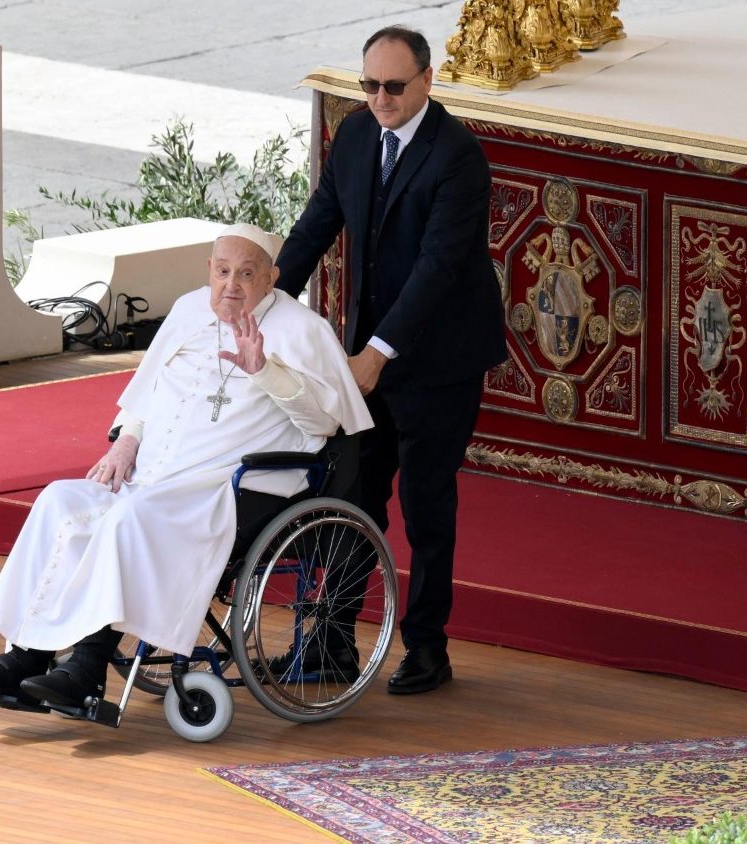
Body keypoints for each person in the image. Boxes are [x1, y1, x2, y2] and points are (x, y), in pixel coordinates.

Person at [0, 224, 373, 710]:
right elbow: (147, 390)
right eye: (222, 271)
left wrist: (266, 373)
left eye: (246, 273)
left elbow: (325, 423)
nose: (231, 285)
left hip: (226, 490)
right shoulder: (188, 309)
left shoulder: (303, 330)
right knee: (59, 501)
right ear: (208, 270)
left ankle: (86, 669)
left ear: (271, 278)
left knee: (131, 520)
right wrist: (127, 440)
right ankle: (26, 655)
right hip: (149, 475)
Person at [274, 26, 507, 694]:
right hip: (366, 357)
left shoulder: (458, 157)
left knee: (425, 504)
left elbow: (437, 270)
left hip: (440, 360)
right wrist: (262, 304)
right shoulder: (354, 135)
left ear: (428, 81)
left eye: (394, 87)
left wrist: (376, 356)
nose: (380, 98)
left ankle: (428, 649)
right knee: (352, 494)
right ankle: (333, 642)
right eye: (370, 85)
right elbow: (316, 226)